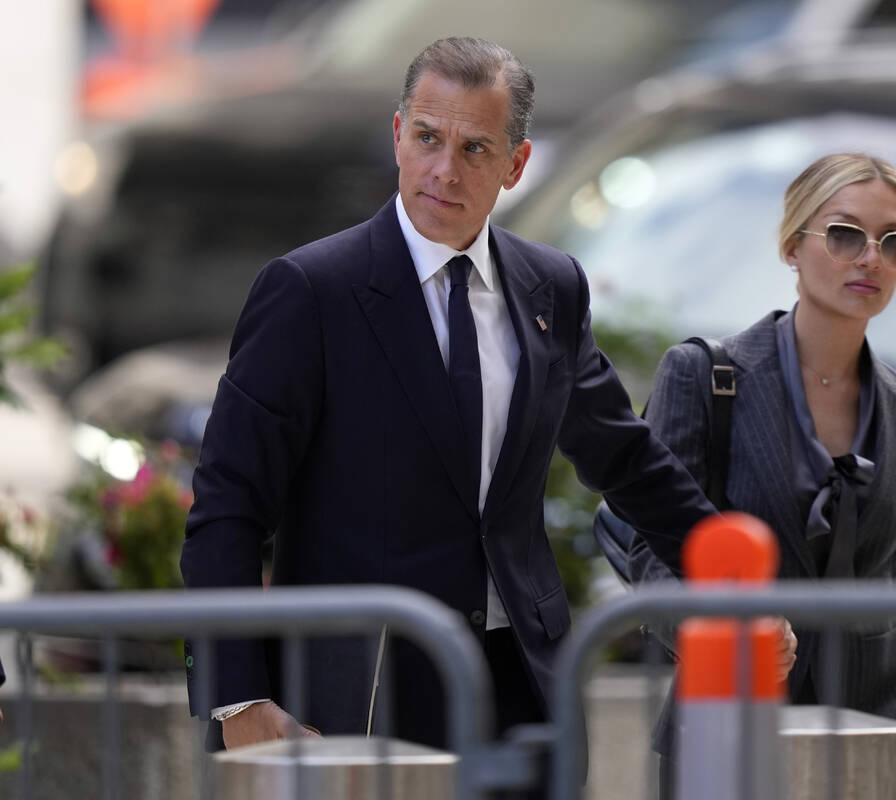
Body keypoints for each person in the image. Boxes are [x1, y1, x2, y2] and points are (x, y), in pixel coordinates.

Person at [179, 36, 717, 761]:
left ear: (516, 165)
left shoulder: (550, 287)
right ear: (399, 135)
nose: (444, 169)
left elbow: (624, 455)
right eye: (428, 138)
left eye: (475, 149)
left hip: (524, 689)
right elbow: (228, 501)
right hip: (366, 694)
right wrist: (236, 697)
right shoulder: (311, 291)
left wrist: (741, 578)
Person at [631, 152, 896, 798]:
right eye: (844, 234)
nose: (871, 258)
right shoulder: (704, 378)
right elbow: (649, 554)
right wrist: (717, 630)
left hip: (876, 734)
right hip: (729, 731)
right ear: (791, 246)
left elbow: (891, 587)